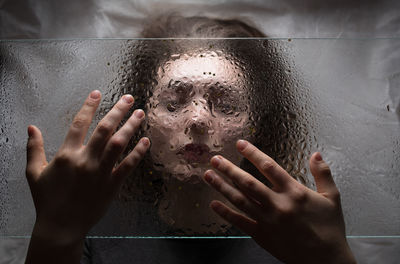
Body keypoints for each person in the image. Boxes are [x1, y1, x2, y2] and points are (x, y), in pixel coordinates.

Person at [24, 15, 356, 264]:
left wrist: (333, 257)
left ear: (260, 127)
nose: (197, 119)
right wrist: (55, 231)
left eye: (226, 106)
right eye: (173, 102)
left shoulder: (295, 237)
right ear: (143, 121)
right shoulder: (94, 225)